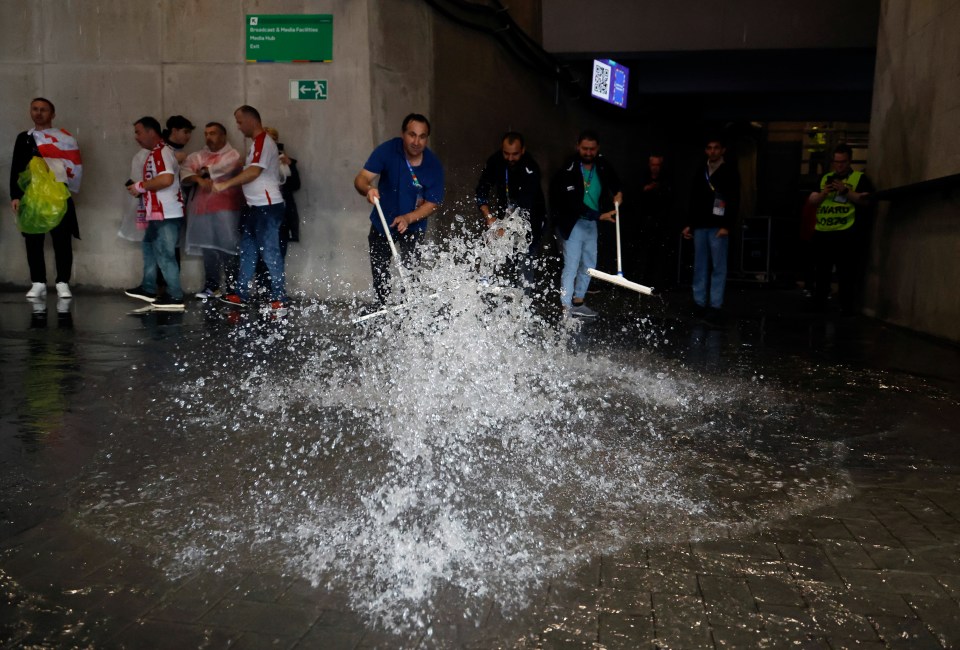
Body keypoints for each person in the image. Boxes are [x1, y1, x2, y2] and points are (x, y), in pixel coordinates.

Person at [353, 113, 445, 304]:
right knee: (380, 271)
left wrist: (409, 218)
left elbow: (432, 203)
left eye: (422, 136)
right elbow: (361, 179)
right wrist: (368, 190)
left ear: (427, 138)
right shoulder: (388, 150)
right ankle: (384, 308)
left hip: (413, 225)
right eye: (412, 135)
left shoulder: (433, 165)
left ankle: (407, 311)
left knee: (411, 273)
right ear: (403, 134)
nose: (416, 141)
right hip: (383, 222)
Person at [215, 105, 287, 311]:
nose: (237, 127)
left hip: (267, 206)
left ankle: (279, 296)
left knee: (270, 252)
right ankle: (241, 294)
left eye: (239, 121)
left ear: (251, 121)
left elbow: (254, 172)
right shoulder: (257, 143)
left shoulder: (264, 142)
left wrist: (226, 184)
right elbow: (251, 171)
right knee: (248, 251)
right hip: (256, 207)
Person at [9, 97, 83, 300]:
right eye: (34, 109)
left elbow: (74, 165)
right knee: (33, 238)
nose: (38, 113)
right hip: (32, 195)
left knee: (62, 239)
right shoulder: (24, 138)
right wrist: (15, 195)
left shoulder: (64, 138)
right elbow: (16, 167)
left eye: (43, 109)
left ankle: (62, 282)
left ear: (52, 114)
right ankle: (38, 282)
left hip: (58, 194)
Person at [549, 130, 622, 318]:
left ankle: (578, 302)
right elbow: (573, 204)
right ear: (578, 147)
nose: (588, 152)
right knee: (571, 264)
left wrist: (618, 192)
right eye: (584, 149)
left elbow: (615, 182)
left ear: (597, 149)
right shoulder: (569, 169)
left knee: (589, 264)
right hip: (574, 224)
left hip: (592, 224)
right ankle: (565, 307)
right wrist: (599, 216)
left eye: (592, 149)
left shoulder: (602, 165)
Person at [124, 116, 186, 311]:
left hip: (167, 213)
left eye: (138, 132)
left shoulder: (161, 153)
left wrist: (140, 186)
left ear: (151, 132)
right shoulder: (156, 153)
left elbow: (166, 179)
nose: (136, 137)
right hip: (158, 212)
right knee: (149, 247)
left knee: (165, 254)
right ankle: (149, 287)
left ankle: (175, 296)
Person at [806, 144, 874, 313]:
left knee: (846, 272)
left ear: (849, 161)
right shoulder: (825, 178)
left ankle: (846, 306)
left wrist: (845, 191)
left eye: (843, 162)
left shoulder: (859, 178)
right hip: (824, 232)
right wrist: (824, 193)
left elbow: (866, 200)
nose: (839, 165)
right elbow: (812, 200)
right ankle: (819, 304)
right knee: (822, 272)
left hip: (846, 232)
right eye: (836, 162)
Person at [474, 131, 546, 288]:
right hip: (505, 216)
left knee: (525, 262)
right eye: (506, 153)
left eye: (515, 154)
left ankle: (523, 305)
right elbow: (482, 189)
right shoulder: (495, 161)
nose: (510, 158)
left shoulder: (530, 168)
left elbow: (524, 204)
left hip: (530, 222)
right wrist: (488, 216)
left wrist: (504, 227)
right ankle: (510, 298)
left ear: (523, 150)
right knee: (508, 262)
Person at [181, 122, 243, 299]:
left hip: (227, 209)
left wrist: (204, 171)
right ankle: (212, 286)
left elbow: (223, 168)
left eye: (213, 133)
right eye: (206, 133)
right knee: (208, 250)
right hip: (202, 210)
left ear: (223, 136)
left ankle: (232, 289)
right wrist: (199, 179)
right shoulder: (198, 155)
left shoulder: (233, 154)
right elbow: (186, 171)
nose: (208, 137)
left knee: (229, 249)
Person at [682, 137, 740, 319]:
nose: (712, 151)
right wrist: (689, 224)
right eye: (709, 148)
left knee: (718, 266)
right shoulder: (701, 170)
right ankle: (699, 302)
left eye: (716, 148)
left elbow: (735, 199)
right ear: (706, 150)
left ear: (723, 150)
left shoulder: (730, 171)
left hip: (718, 225)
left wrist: (727, 225)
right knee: (700, 265)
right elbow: (694, 198)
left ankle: (715, 305)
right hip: (700, 224)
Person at [635, 154, 674, 288]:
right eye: (653, 165)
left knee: (659, 254)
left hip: (660, 222)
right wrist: (647, 189)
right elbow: (636, 196)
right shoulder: (642, 178)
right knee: (644, 252)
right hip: (645, 221)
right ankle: (641, 282)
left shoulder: (666, 180)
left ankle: (656, 283)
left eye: (658, 165)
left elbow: (670, 199)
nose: (655, 168)